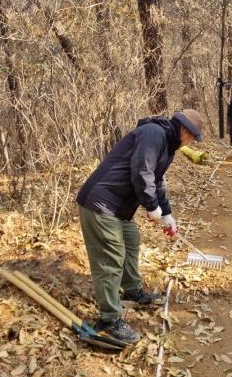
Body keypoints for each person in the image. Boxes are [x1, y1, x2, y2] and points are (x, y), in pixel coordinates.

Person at [76, 109, 204, 344]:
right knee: (110, 259)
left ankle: (132, 290)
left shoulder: (167, 144)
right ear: (185, 130)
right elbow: (142, 171)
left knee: (132, 239)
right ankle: (108, 320)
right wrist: (150, 204)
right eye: (192, 138)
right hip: (101, 203)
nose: (191, 142)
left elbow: (157, 181)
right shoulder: (153, 133)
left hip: (119, 208)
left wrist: (166, 213)